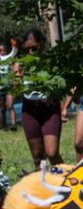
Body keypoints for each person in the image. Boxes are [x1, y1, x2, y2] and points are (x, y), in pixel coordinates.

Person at [15, 27, 63, 170]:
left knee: (52, 152)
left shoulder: (50, 62)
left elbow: (60, 86)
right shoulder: (20, 64)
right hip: (29, 110)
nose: (30, 52)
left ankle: (67, 181)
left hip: (49, 109)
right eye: (27, 49)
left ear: (41, 44)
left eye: (34, 48)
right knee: (37, 157)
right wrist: (18, 77)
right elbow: (16, 89)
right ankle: (41, 188)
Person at [0, 35, 17, 132]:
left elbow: (14, 51)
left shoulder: (8, 57)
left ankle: (13, 125)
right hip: (0, 87)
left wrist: (14, 43)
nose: (2, 52)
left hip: (8, 86)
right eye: (0, 51)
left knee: (10, 106)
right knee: (2, 108)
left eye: (3, 50)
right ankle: (4, 125)